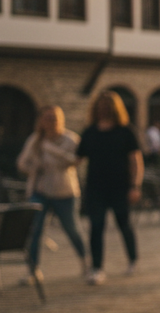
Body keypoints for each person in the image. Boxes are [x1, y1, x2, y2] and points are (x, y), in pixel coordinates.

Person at [17, 106, 89, 285]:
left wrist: (52, 150)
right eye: (47, 118)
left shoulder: (70, 139)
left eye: (54, 118)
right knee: (35, 231)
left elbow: (77, 160)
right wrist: (33, 168)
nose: (51, 122)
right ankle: (33, 270)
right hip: (40, 191)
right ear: (41, 121)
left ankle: (86, 262)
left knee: (71, 228)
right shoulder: (35, 140)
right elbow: (22, 163)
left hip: (65, 192)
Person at [77, 91, 143, 283]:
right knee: (96, 226)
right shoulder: (90, 132)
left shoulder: (126, 131)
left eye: (107, 107)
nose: (103, 111)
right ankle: (97, 268)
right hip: (96, 187)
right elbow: (77, 158)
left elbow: (135, 160)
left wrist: (135, 186)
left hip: (120, 186)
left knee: (124, 224)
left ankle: (132, 259)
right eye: (100, 107)